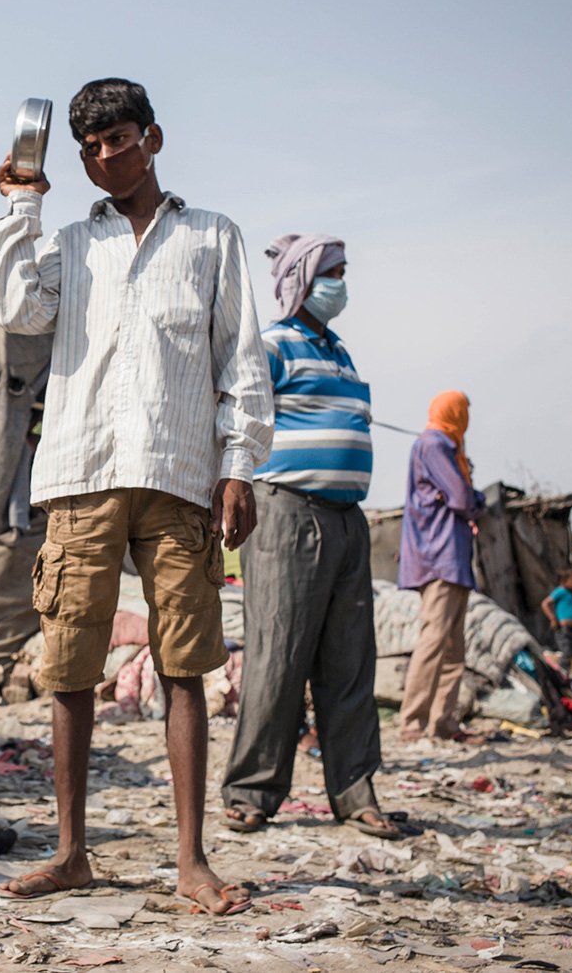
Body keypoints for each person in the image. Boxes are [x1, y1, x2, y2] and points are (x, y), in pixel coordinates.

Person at [0, 78, 274, 913]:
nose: (105, 157)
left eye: (118, 139)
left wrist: (239, 465)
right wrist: (20, 207)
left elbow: (241, 359)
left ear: (153, 137)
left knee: (186, 666)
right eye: (90, 148)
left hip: (182, 477)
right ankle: (71, 853)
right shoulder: (69, 244)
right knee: (70, 667)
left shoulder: (212, 237)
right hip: (81, 475)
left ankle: (190, 860)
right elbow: (14, 306)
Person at [218, 235, 399, 839]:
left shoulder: (340, 353)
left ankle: (356, 793)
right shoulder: (273, 345)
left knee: (351, 663)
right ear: (303, 281)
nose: (340, 284)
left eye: (344, 272)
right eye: (332, 273)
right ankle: (251, 790)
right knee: (278, 653)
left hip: (347, 518)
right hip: (287, 513)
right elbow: (238, 414)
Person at [398, 391, 485, 743]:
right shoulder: (435, 445)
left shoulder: (444, 447)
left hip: (453, 558)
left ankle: (444, 722)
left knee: (454, 649)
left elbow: (457, 497)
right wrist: (474, 499)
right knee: (434, 642)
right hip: (440, 555)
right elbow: (463, 498)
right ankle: (412, 723)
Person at [542, 568, 572, 671]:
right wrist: (552, 619)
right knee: (567, 652)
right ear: (565, 580)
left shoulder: (569, 593)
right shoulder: (560, 591)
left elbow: (567, 606)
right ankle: (562, 674)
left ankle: (565, 673)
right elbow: (545, 604)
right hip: (565, 629)